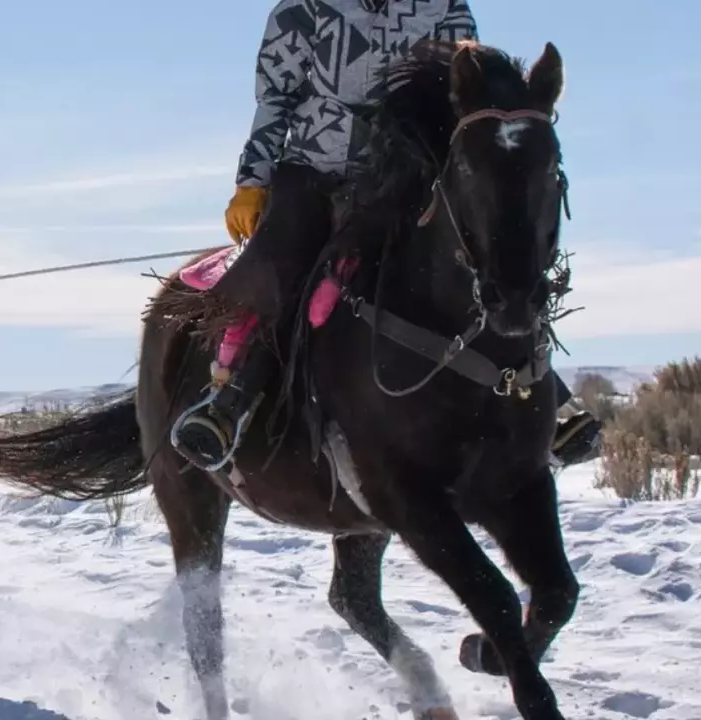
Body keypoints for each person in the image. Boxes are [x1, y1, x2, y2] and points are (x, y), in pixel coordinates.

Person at [172, 0, 603, 471]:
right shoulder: (300, 9)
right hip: (316, 171)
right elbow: (276, 97)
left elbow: (467, 90)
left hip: (408, 176)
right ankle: (228, 398)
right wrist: (252, 181)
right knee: (280, 261)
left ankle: (544, 397)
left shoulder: (443, 6)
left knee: (486, 251)